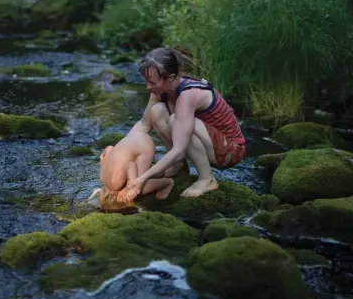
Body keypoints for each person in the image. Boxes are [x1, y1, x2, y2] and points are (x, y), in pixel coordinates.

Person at [122, 48, 246, 199]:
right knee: (156, 111)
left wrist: (141, 179)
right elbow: (143, 124)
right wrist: (118, 150)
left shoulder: (188, 95)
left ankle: (207, 179)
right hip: (208, 141)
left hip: (230, 150)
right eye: (146, 81)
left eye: (152, 82)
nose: (148, 87)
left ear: (171, 77)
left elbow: (178, 149)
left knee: (176, 120)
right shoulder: (160, 90)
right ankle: (178, 167)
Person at [88, 120, 175, 209]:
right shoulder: (103, 178)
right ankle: (157, 172)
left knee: (140, 188)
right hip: (133, 137)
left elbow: (131, 165)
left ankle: (167, 183)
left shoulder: (115, 183)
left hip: (144, 146)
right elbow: (109, 148)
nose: (127, 198)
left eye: (124, 199)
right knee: (136, 176)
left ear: (119, 199)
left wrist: (132, 184)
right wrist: (103, 156)